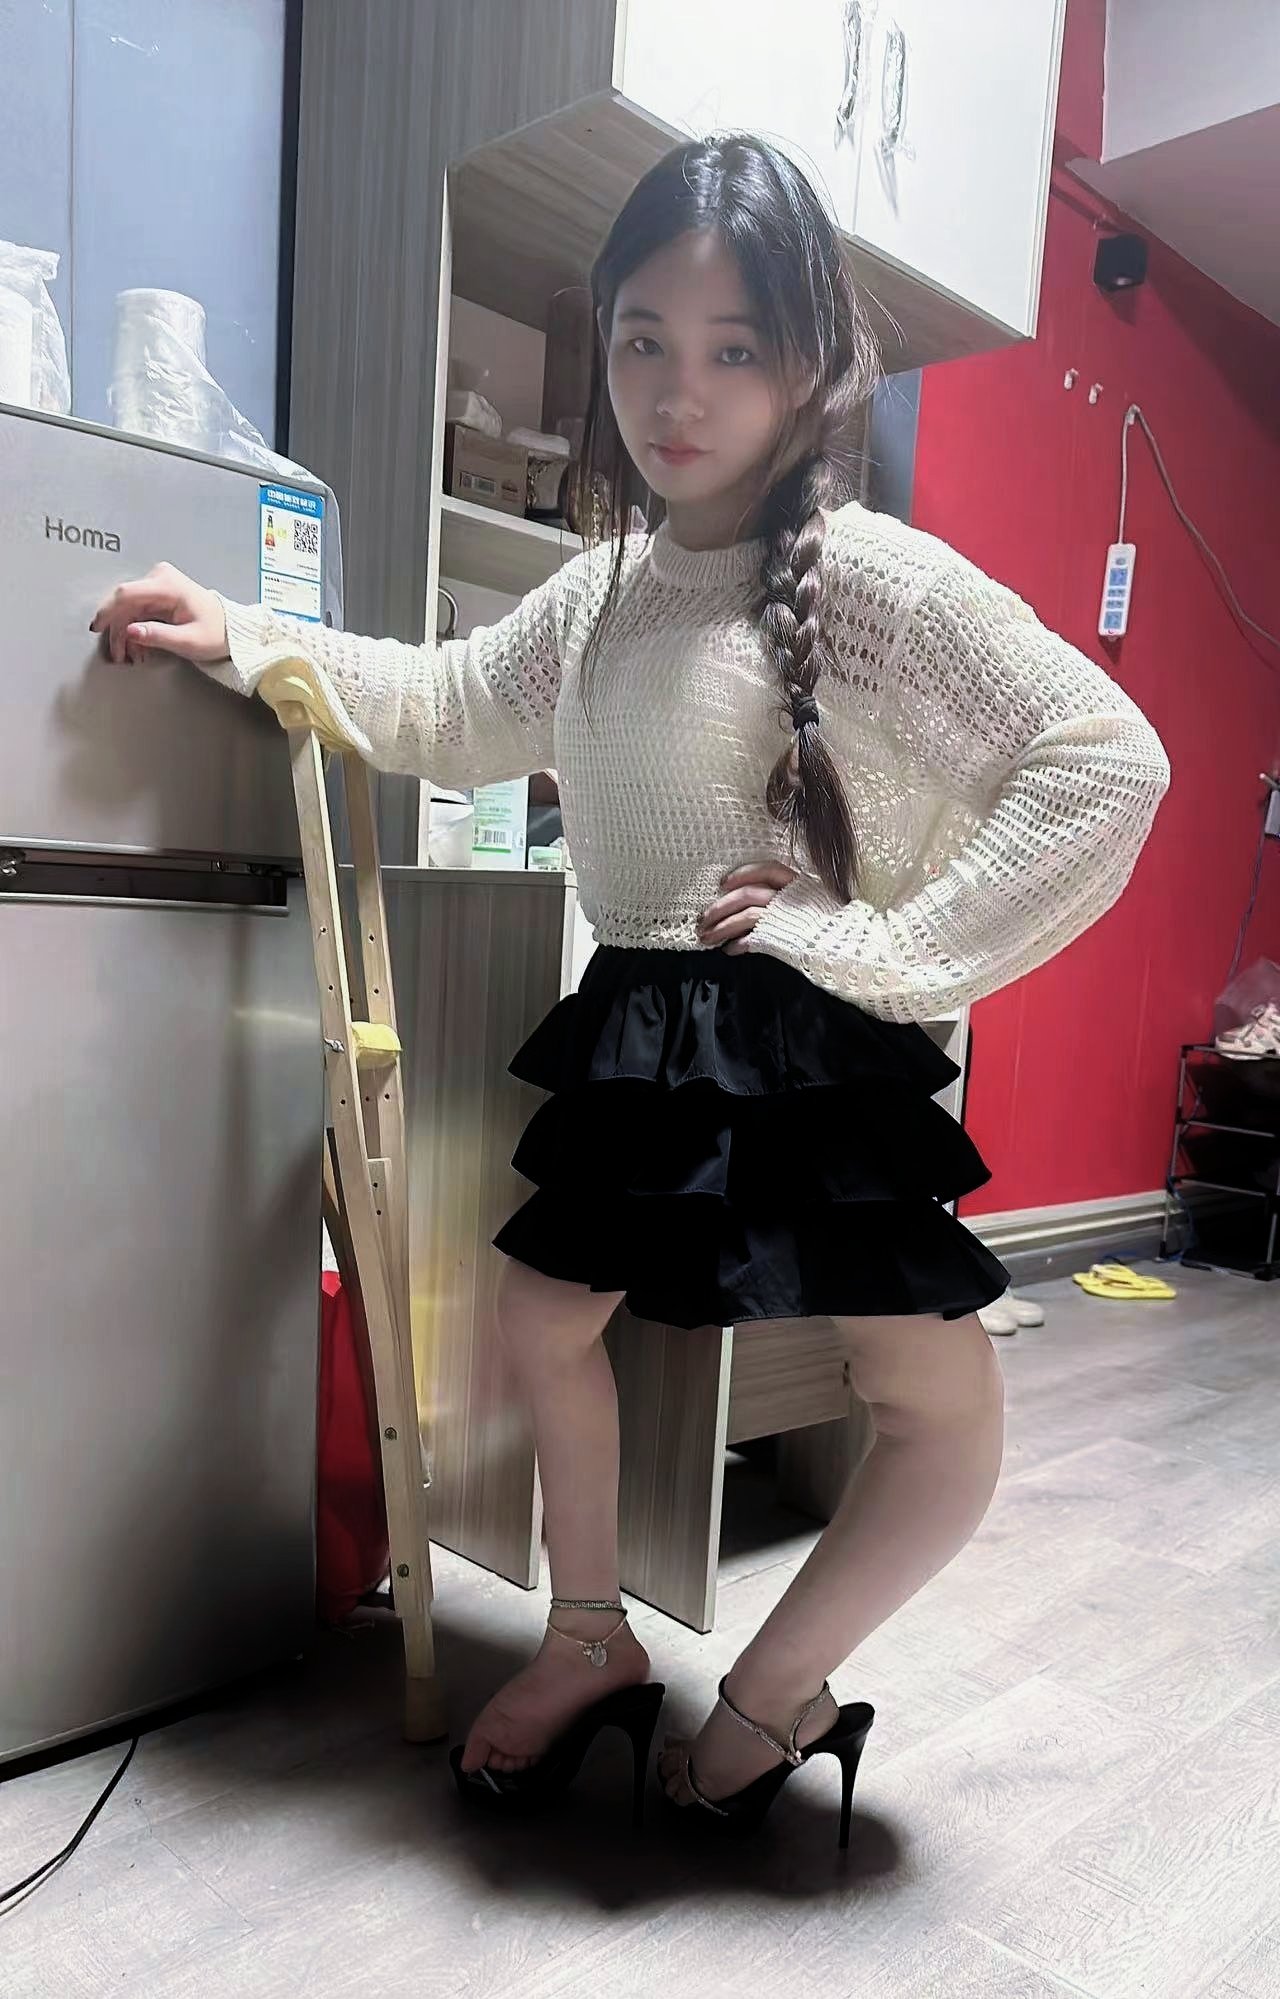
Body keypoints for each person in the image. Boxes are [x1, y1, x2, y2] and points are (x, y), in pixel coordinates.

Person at [92, 133, 1170, 1843]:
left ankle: (777, 1690)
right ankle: (590, 1637)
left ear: (810, 360)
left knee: (936, 1407)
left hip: (805, 1042)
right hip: (646, 1031)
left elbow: (1106, 762)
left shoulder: (873, 579)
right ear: (601, 342)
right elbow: (447, 703)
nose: (679, 390)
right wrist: (247, 633)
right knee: (541, 1323)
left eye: (734, 347)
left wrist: (872, 947)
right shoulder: (595, 594)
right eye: (643, 339)